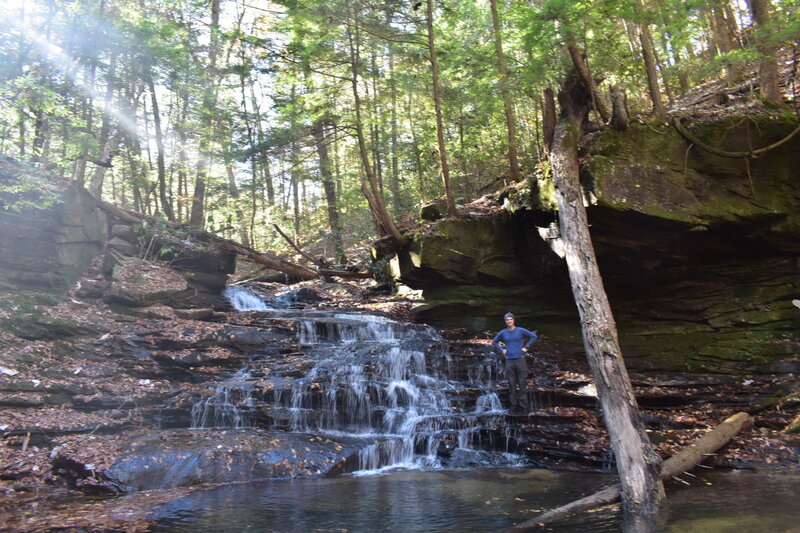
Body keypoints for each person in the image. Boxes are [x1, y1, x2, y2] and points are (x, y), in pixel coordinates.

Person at [491, 312, 538, 414]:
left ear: (513, 320)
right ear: (505, 321)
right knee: (511, 385)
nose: (509, 321)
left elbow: (534, 336)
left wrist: (527, 347)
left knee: (522, 384)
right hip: (509, 361)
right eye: (507, 320)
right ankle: (513, 406)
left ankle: (524, 407)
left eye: (510, 319)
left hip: (520, 360)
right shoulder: (503, 332)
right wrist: (501, 349)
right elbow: (493, 342)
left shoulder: (521, 330)